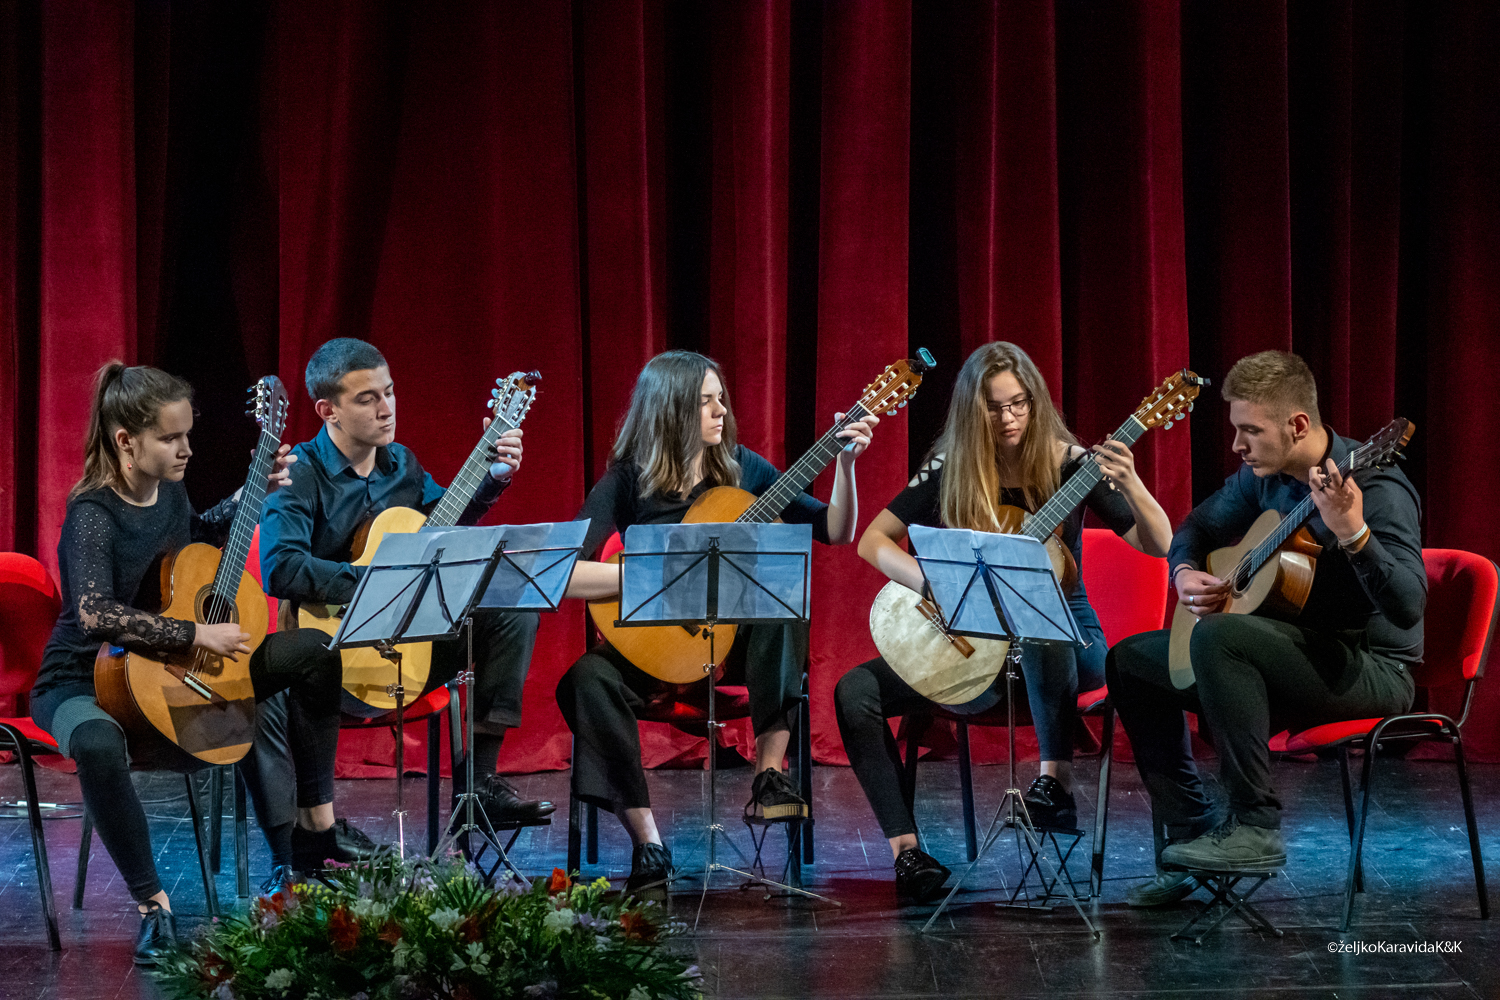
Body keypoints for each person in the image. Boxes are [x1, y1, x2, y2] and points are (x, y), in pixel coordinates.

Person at [834, 341, 1173, 902]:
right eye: (994, 408)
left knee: (1042, 622)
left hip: (1068, 644)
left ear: (1034, 402)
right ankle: (908, 853)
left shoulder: (1071, 464)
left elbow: (1157, 544)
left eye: (1019, 404)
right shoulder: (950, 465)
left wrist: (1132, 483)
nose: (1009, 417)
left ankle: (1055, 784)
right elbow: (872, 541)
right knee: (855, 691)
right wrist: (933, 584)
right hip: (976, 646)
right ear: (973, 412)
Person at [557, 350, 879, 896]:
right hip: (657, 652)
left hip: (732, 650)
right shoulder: (628, 479)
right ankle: (648, 844)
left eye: (720, 399)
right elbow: (565, 573)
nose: (721, 411)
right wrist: (649, 575)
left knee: (783, 599)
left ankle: (769, 774)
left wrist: (845, 464)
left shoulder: (742, 467)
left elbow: (836, 530)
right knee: (584, 680)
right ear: (670, 410)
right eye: (705, 402)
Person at [1108, 350, 1423, 907]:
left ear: (1297, 425)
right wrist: (1184, 572)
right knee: (1130, 661)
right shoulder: (1265, 478)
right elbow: (1196, 527)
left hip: (1370, 668)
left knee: (1219, 636)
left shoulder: (1376, 487)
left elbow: (1408, 608)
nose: (1237, 445)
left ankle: (1255, 826)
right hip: (1293, 655)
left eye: (1250, 430)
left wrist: (1354, 534)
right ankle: (1191, 834)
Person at [32, 362, 304, 965]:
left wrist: (252, 494)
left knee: (305, 656)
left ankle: (301, 852)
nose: (186, 450)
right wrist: (194, 634)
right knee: (98, 742)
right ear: (126, 442)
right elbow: (96, 614)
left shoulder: (171, 491)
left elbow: (197, 536)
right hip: (81, 678)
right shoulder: (92, 514)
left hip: (160, 671)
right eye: (170, 437)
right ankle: (154, 905)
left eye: (187, 435)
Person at [253, 338, 550, 886]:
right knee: (315, 654)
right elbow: (282, 568)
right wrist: (373, 584)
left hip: (409, 646)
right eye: (367, 398)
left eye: (389, 392)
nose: (386, 408)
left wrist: (492, 478)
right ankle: (316, 830)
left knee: (513, 611)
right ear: (328, 410)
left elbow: (443, 522)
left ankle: (479, 786)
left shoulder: (403, 465)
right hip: (331, 658)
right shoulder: (300, 473)